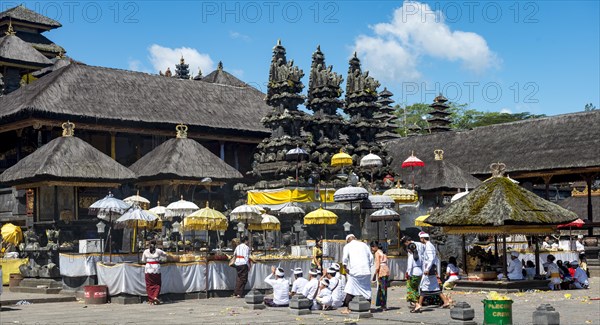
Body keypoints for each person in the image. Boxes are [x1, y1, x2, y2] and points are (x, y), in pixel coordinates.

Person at [412, 232, 451, 313]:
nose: (420, 240)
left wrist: (427, 269)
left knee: (423, 286)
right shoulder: (428, 245)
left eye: (420, 238)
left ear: (423, 238)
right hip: (431, 269)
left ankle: (419, 305)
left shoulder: (429, 246)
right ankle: (445, 301)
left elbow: (430, 259)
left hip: (429, 269)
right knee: (435, 286)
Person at [340, 234, 374, 314]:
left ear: (347, 240)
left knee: (350, 289)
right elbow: (371, 258)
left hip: (355, 272)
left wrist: (345, 268)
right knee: (366, 290)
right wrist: (368, 267)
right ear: (355, 238)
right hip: (366, 271)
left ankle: (348, 308)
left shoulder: (347, 246)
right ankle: (368, 307)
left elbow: (345, 259)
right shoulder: (364, 245)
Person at [370, 241, 390, 310]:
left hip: (381, 271)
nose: (372, 249)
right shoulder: (382, 252)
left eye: (372, 247)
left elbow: (377, 265)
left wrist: (374, 275)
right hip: (386, 270)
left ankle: (383, 305)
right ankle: (383, 304)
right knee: (384, 288)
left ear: (375, 247)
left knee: (381, 289)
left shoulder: (377, 253)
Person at [405, 242, 423, 307]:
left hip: (414, 273)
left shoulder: (411, 257)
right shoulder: (420, 256)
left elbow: (409, 267)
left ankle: (416, 303)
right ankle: (417, 302)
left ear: (410, 249)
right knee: (416, 288)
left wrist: (408, 275)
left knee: (411, 288)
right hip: (420, 274)